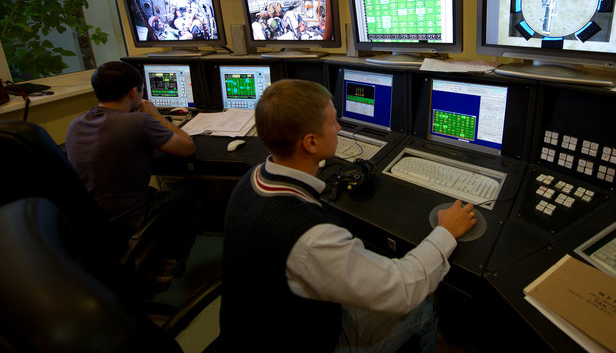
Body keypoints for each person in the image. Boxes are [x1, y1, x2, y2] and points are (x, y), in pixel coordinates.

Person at [220, 79, 477, 352]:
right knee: (423, 308)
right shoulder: (312, 239)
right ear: (310, 142)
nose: (340, 128)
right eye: (333, 123)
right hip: (300, 338)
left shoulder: (253, 178)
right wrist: (446, 232)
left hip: (254, 325)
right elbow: (404, 288)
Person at [66, 61, 200, 280]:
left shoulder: (76, 123)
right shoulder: (139, 121)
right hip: (125, 220)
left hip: (90, 224)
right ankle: (167, 265)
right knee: (192, 189)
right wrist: (154, 114)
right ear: (133, 93)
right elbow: (187, 148)